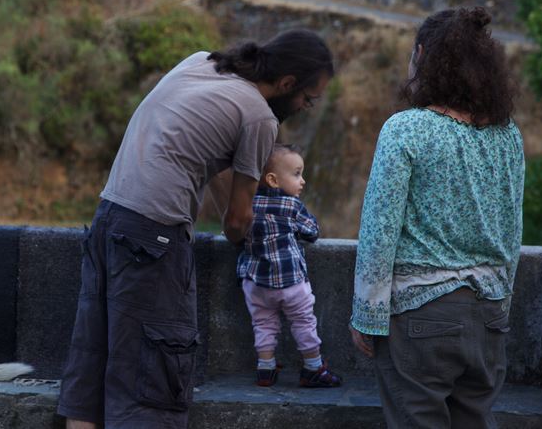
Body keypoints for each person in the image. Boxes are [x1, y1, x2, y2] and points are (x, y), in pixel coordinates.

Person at [57, 29, 334, 429]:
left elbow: (218, 167)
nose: (307, 107)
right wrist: (243, 238)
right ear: (288, 84)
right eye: (308, 98)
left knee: (89, 376)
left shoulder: (201, 62)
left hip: (108, 219)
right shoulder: (259, 117)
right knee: (150, 387)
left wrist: (230, 216)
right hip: (154, 236)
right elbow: (239, 220)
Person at [349, 6, 523, 428]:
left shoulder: (406, 129)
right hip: (489, 314)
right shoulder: (508, 135)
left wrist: (366, 316)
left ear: (423, 56)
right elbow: (512, 231)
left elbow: (379, 231)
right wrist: (502, 305)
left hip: (420, 317)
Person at [237, 144, 342, 388]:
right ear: (273, 180)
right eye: (296, 174)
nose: (302, 181)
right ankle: (313, 368)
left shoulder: (249, 205)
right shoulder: (292, 206)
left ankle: (266, 369)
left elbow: (236, 232)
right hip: (291, 283)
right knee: (303, 323)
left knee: (263, 324)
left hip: (256, 283)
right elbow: (312, 232)